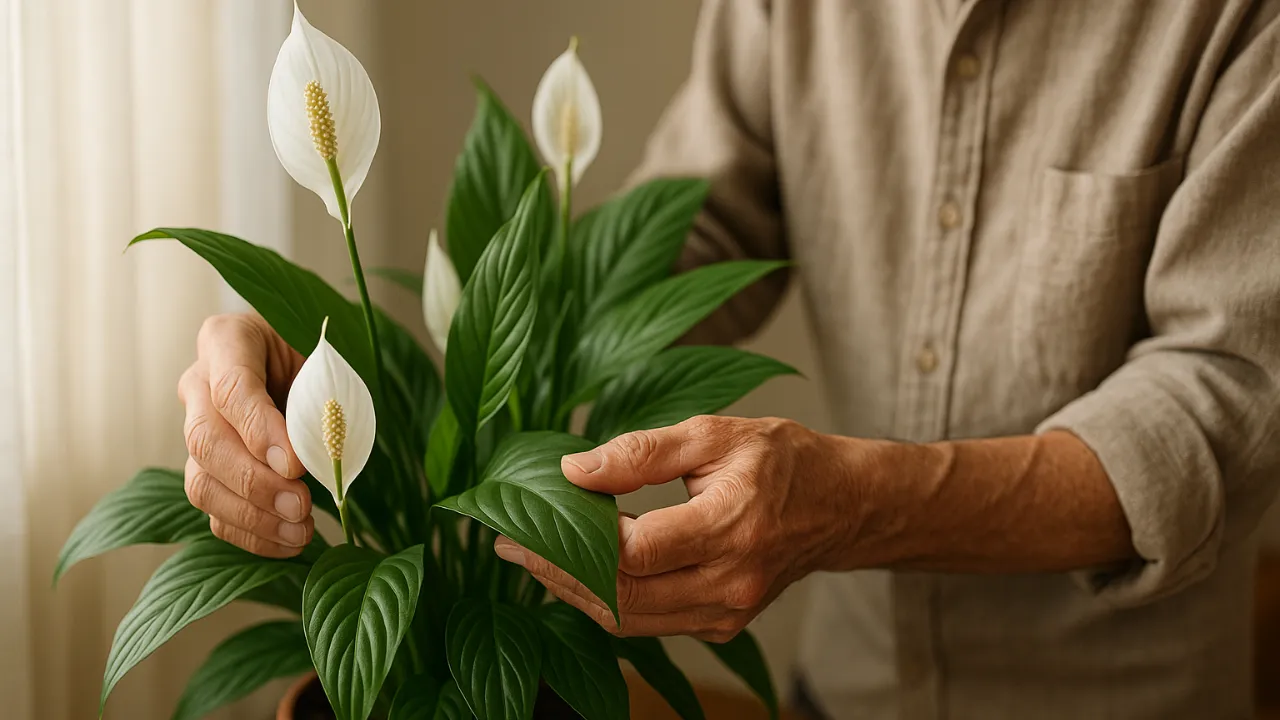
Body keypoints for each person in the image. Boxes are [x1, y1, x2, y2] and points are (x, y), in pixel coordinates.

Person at [178, 1, 1280, 718]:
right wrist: (337, 392)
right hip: (848, 693)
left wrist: (857, 504)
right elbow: (687, 238)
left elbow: (1221, 392)